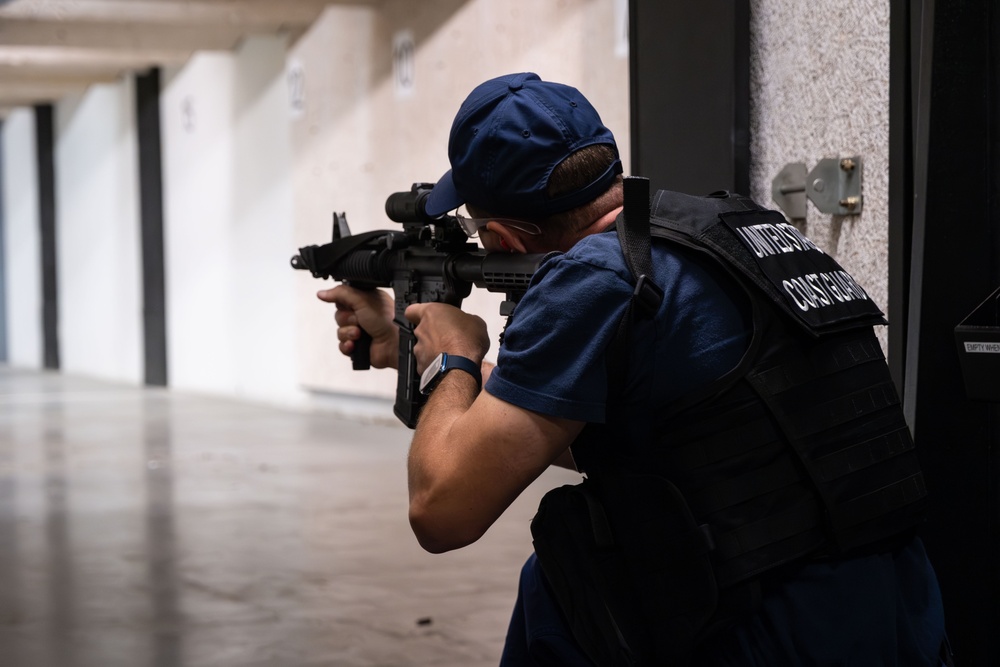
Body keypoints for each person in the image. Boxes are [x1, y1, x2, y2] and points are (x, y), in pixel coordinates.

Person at [318, 72, 950, 666]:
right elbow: (639, 432)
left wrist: (452, 360)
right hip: (897, 605)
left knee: (564, 574)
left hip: (764, 627)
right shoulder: (733, 230)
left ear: (507, 238)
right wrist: (418, 351)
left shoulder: (592, 280)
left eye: (477, 231)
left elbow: (441, 513)